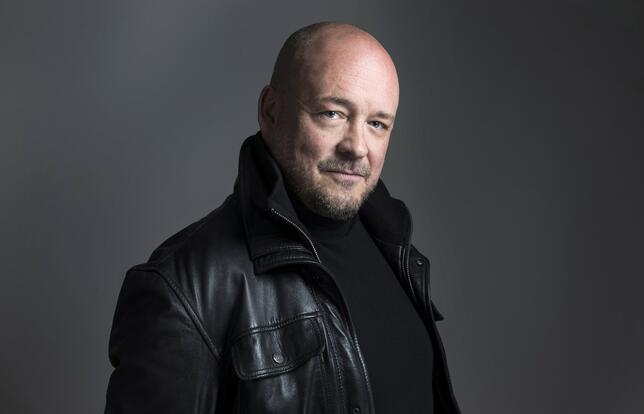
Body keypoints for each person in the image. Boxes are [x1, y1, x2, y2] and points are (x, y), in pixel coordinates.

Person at [105, 21, 460, 413]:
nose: (357, 147)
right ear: (270, 111)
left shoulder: (398, 255)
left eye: (377, 124)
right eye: (332, 113)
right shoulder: (184, 289)